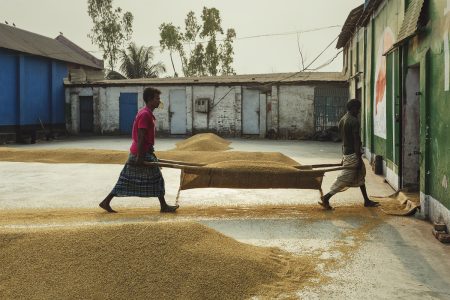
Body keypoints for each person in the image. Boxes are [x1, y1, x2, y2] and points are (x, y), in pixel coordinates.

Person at [99, 87, 179, 213]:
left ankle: (106, 201)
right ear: (150, 100)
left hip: (142, 151)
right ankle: (163, 206)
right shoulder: (145, 114)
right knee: (155, 178)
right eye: (157, 98)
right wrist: (140, 157)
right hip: (140, 152)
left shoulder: (146, 113)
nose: (159, 101)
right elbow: (141, 136)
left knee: (126, 179)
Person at [319, 99, 380, 210]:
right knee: (344, 179)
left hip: (347, 152)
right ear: (353, 108)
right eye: (358, 109)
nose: (358, 111)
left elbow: (344, 140)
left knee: (360, 176)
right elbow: (356, 140)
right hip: (353, 154)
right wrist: (358, 157)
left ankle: (366, 200)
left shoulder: (342, 119)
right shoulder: (353, 121)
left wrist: (343, 156)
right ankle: (326, 197)